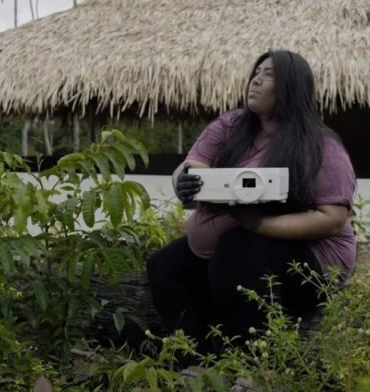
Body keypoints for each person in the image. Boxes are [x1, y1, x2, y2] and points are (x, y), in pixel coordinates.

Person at [145, 50, 358, 366]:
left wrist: (257, 224)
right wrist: (183, 180)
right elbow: (192, 165)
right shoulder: (231, 125)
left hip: (314, 261)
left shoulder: (320, 146)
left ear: (291, 87)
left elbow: (333, 219)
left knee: (238, 251)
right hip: (238, 248)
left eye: (269, 74)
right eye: (257, 72)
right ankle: (197, 362)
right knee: (165, 265)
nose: (256, 79)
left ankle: (255, 369)